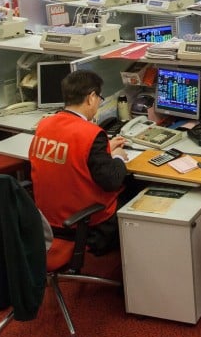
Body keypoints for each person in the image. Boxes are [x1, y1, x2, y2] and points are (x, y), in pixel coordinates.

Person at [28, 70, 130, 254]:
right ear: (91, 97)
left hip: (47, 219)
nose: (99, 102)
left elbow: (71, 152)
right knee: (133, 190)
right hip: (87, 223)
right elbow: (112, 180)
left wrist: (104, 146)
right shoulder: (90, 133)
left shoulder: (44, 125)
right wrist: (118, 156)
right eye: (99, 97)